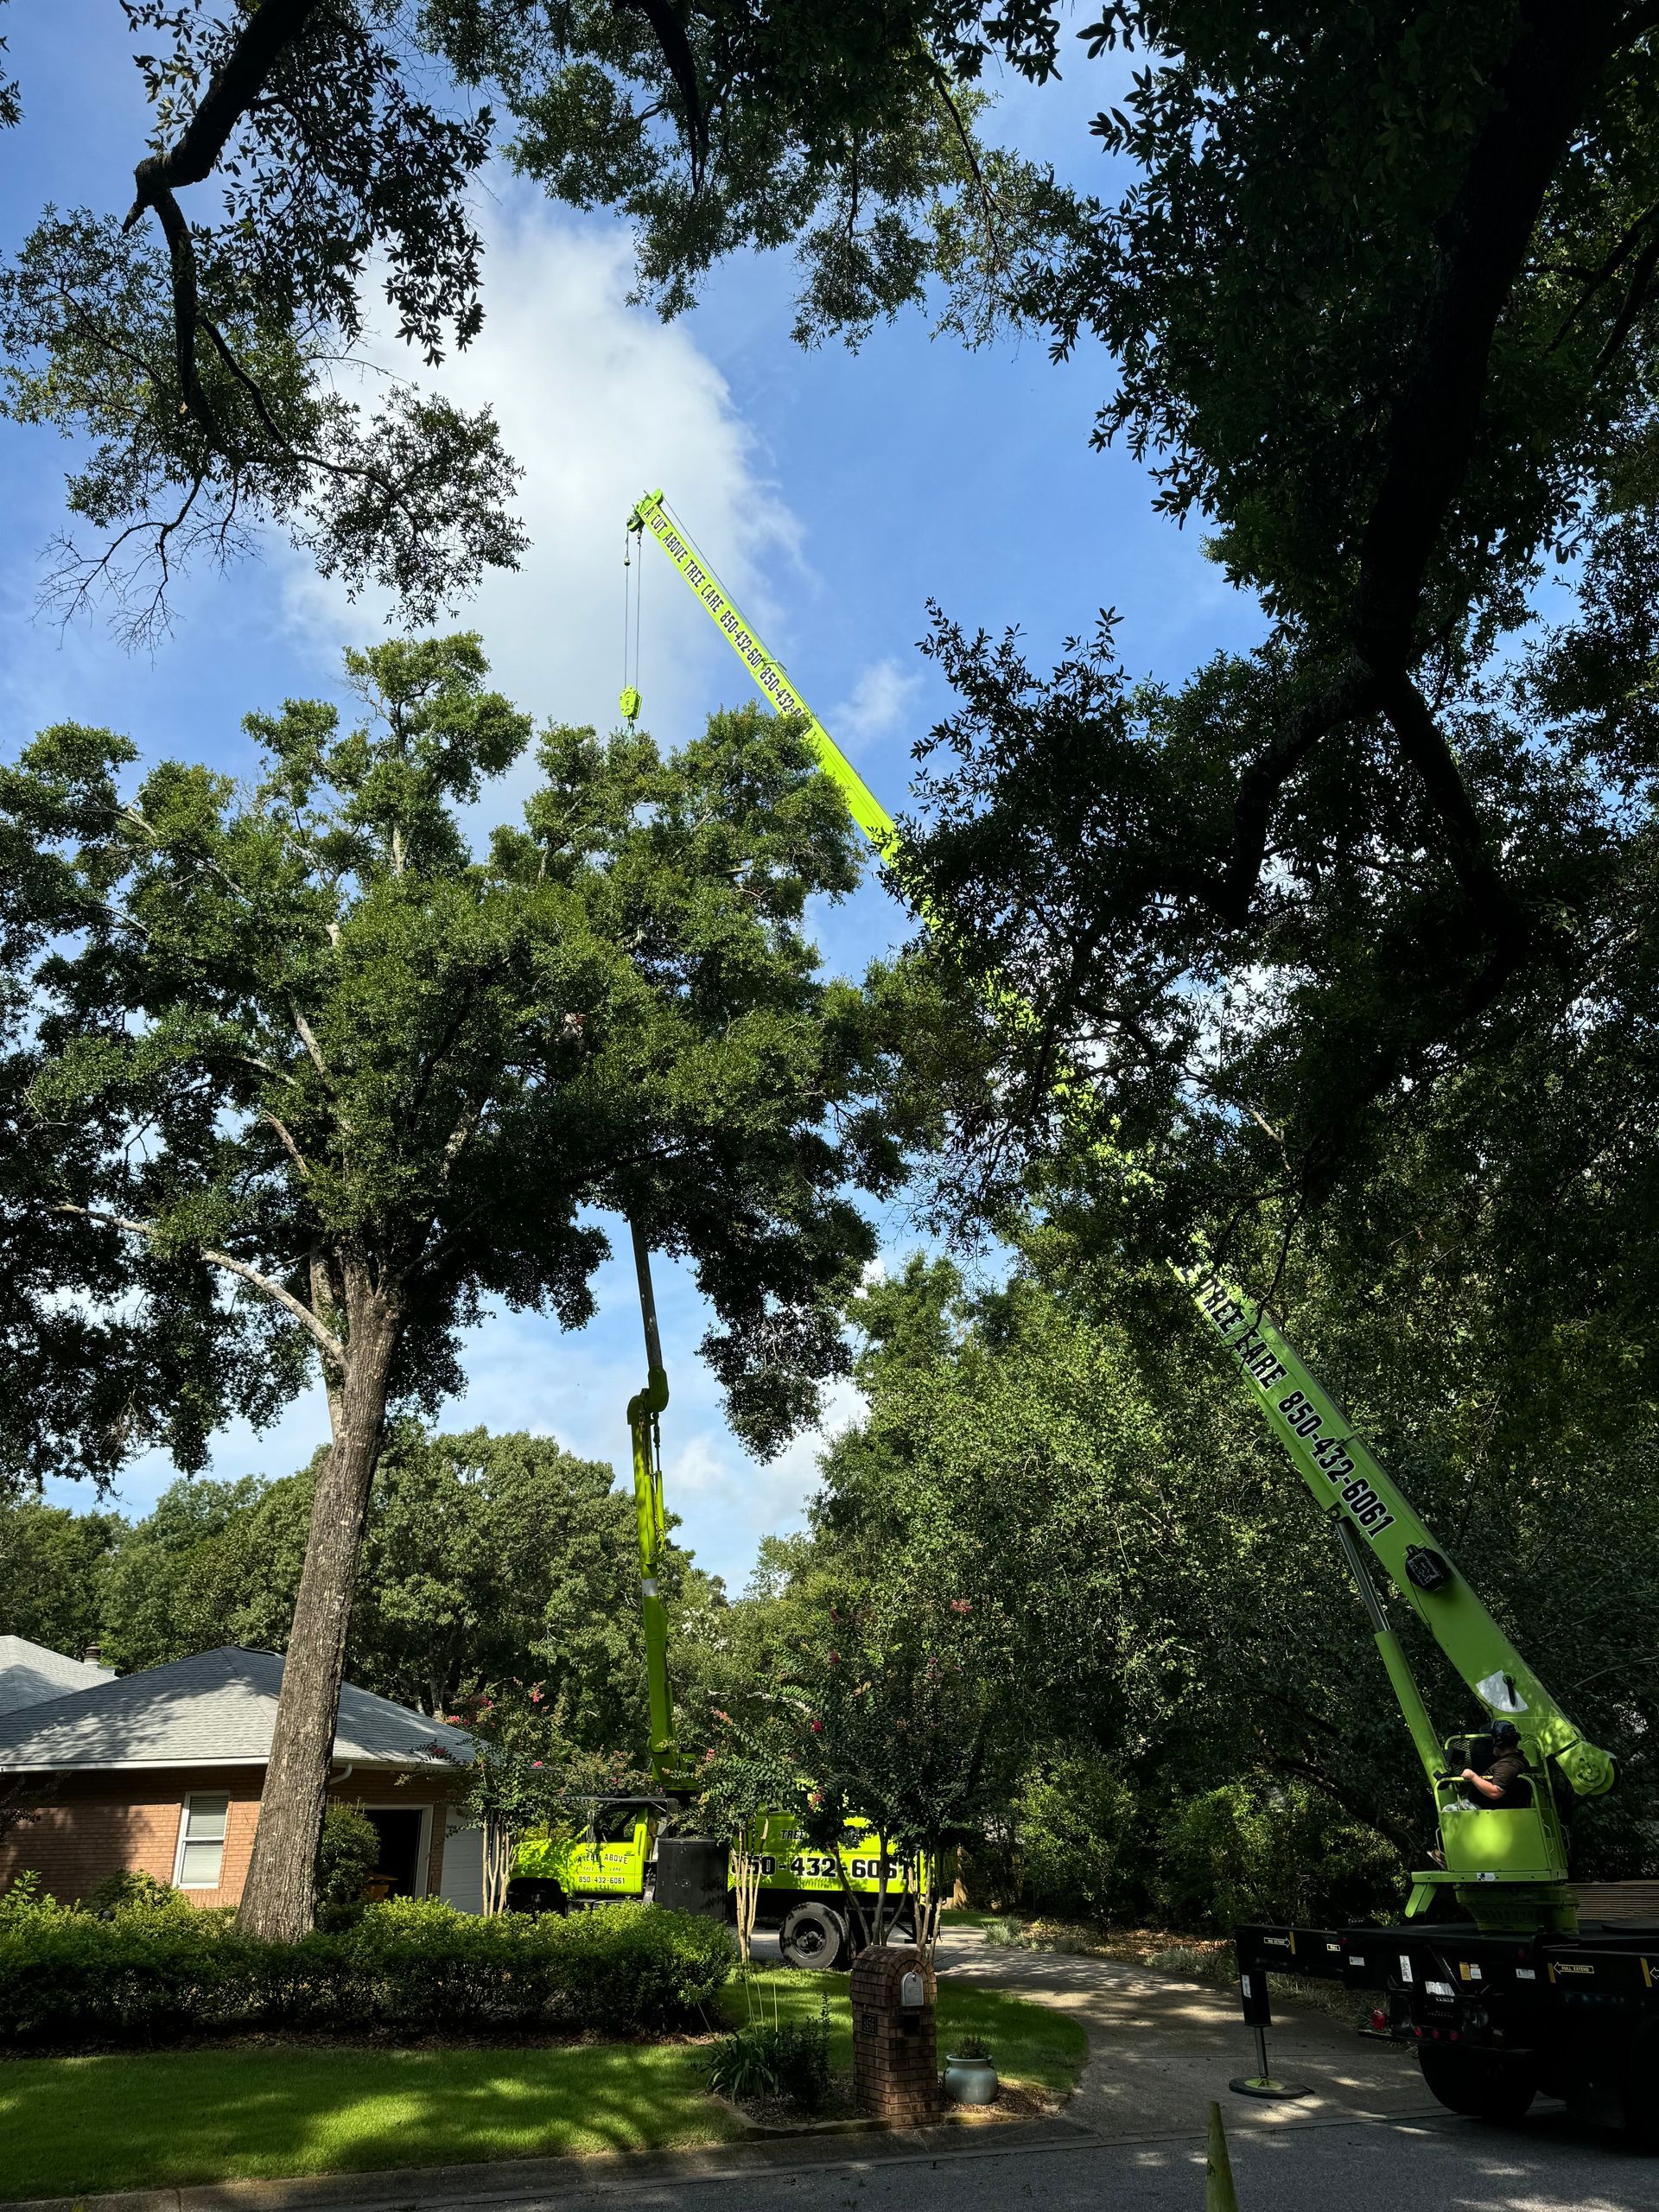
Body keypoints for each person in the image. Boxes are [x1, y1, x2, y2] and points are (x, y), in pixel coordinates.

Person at [1460, 1720, 1533, 1808]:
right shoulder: (1516, 1760)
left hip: (1488, 1809)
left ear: (1497, 1743)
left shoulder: (1508, 1765)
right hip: (1493, 1807)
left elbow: (1495, 1792)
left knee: (1448, 1810)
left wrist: (1472, 1776)